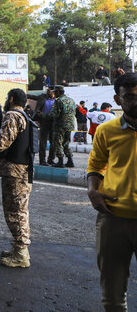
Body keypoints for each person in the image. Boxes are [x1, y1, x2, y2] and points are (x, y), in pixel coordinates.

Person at [86, 72, 137, 311]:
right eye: (129, 97)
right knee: (113, 294)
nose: (136, 101)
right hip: (113, 218)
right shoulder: (107, 131)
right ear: (118, 100)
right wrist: (92, 191)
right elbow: (96, 165)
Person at [0, 88, 36, 268]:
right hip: (24, 169)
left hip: (14, 171)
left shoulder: (12, 116)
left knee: (15, 211)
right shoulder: (25, 116)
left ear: (11, 99)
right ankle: (19, 248)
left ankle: (21, 254)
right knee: (20, 209)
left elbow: (3, 143)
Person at [48, 85, 76, 168]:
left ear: (59, 92)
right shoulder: (71, 100)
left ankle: (60, 161)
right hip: (70, 125)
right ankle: (70, 161)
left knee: (58, 143)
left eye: (55, 92)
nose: (54, 94)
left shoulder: (59, 101)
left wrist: (43, 115)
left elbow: (54, 114)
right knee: (66, 143)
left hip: (60, 125)